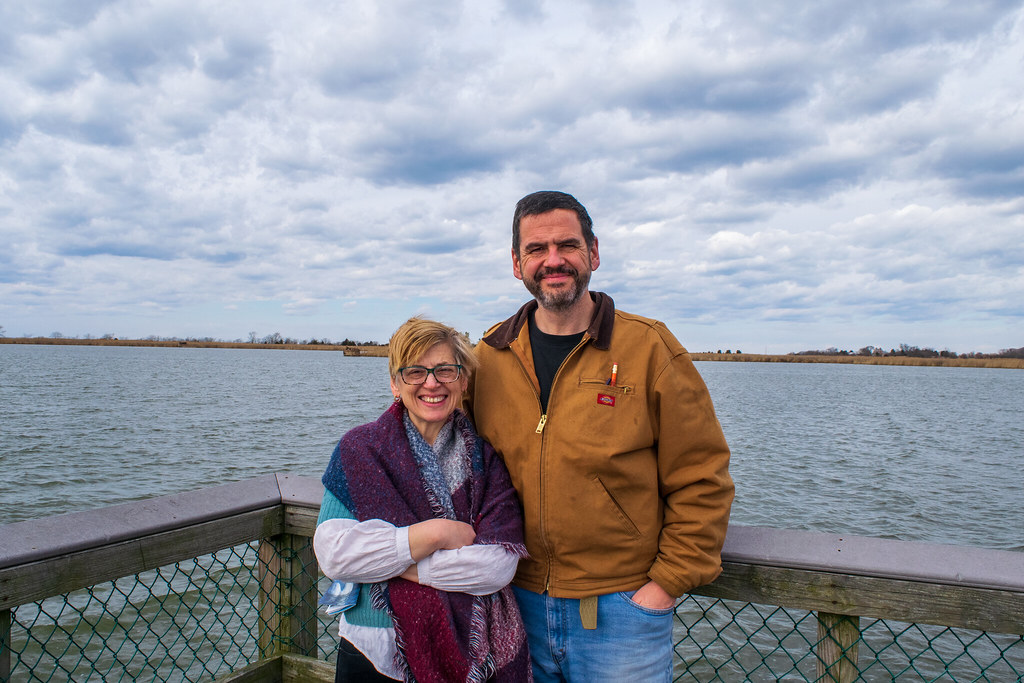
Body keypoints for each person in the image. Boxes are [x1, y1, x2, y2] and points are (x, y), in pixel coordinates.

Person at [469, 191, 734, 682]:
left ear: (593, 252)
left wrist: (664, 585)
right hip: (511, 604)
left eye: (567, 245)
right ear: (516, 262)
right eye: (536, 249)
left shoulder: (649, 348)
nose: (553, 260)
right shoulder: (488, 356)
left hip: (621, 613)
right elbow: (436, 445)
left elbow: (703, 478)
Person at [314, 317, 533, 682]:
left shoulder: (485, 461)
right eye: (415, 371)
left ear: (463, 381)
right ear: (395, 383)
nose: (431, 383)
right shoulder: (359, 450)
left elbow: (496, 566)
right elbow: (335, 554)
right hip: (370, 648)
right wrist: (435, 534)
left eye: (445, 370)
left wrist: (392, 567)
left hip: (469, 651)